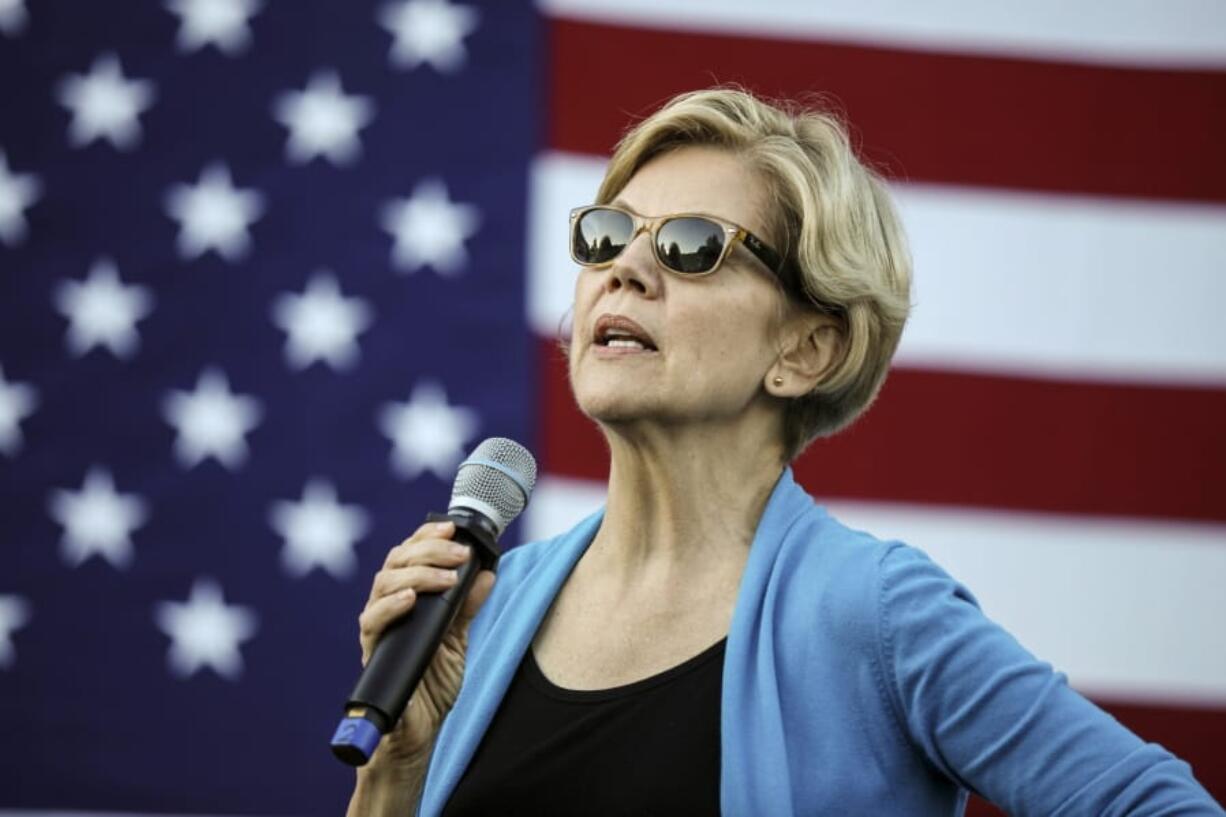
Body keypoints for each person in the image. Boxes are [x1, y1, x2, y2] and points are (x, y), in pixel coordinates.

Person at [346, 88, 1223, 816]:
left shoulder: (876, 612)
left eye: (692, 247)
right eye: (609, 235)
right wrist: (397, 766)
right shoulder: (487, 610)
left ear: (806, 350)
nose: (627, 269)